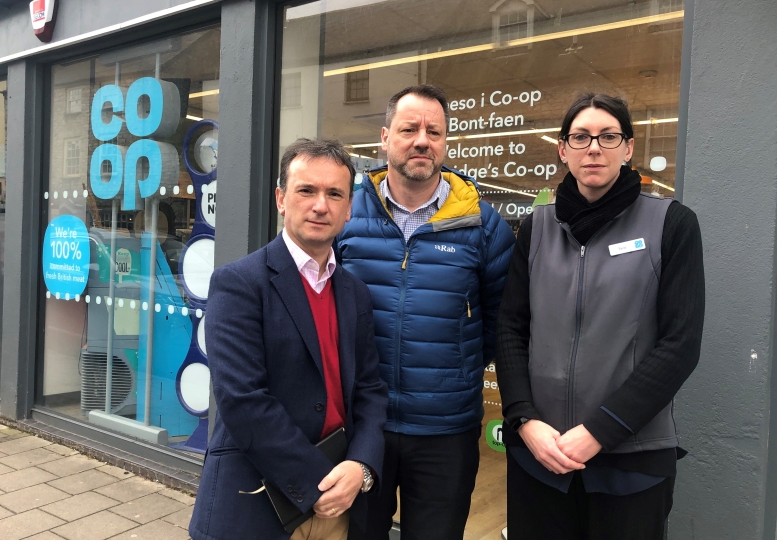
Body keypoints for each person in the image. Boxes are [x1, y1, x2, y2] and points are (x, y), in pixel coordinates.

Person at [496, 93, 705, 539]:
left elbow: (680, 344)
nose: (594, 148)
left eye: (608, 136)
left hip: (631, 461)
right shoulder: (536, 228)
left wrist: (599, 430)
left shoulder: (671, 224)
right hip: (540, 456)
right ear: (563, 149)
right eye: (581, 137)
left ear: (628, 149)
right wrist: (524, 419)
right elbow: (511, 328)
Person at [336, 84, 516, 540]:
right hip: (360, 424)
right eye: (409, 128)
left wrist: (457, 366)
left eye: (434, 131)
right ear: (385, 137)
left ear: (446, 143)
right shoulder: (345, 215)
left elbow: (502, 319)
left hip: (445, 428)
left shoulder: (481, 222)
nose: (422, 140)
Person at [189, 139, 389, 540]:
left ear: (349, 208)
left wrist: (362, 467)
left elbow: (370, 390)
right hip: (258, 499)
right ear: (281, 199)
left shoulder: (354, 293)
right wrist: (315, 480)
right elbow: (243, 400)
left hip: (341, 503)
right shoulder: (238, 284)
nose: (321, 205)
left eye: (335, 194)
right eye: (306, 190)